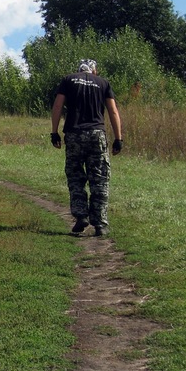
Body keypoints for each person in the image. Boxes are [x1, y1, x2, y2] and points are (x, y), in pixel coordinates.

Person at [51, 59, 123, 237]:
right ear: (94, 71)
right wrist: (118, 138)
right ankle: (100, 224)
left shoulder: (68, 80)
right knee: (99, 179)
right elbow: (113, 111)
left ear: (79, 70)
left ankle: (81, 216)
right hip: (96, 135)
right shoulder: (103, 83)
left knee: (75, 177)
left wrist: (54, 132)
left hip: (74, 135)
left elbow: (58, 105)